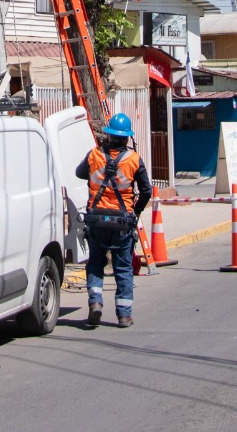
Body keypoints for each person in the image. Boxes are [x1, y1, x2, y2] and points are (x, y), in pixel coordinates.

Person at [75, 112, 152, 328]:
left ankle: (96, 303)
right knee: (123, 269)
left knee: (96, 264)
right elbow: (146, 191)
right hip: (122, 224)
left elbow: (79, 173)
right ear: (127, 138)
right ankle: (124, 315)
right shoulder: (134, 159)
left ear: (109, 135)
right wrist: (135, 213)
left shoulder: (94, 155)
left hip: (96, 220)